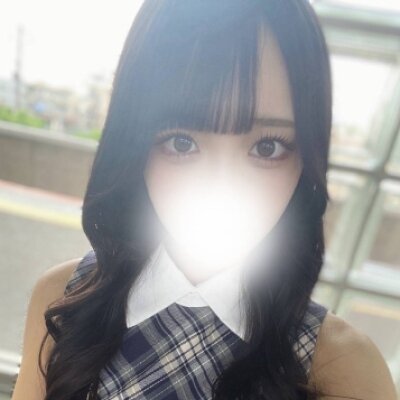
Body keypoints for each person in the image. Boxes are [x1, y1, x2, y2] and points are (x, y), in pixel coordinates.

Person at [12, 0, 397, 399]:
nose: (222, 187)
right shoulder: (64, 298)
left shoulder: (345, 369)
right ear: (134, 144)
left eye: (267, 147)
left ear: (307, 159)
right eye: (181, 142)